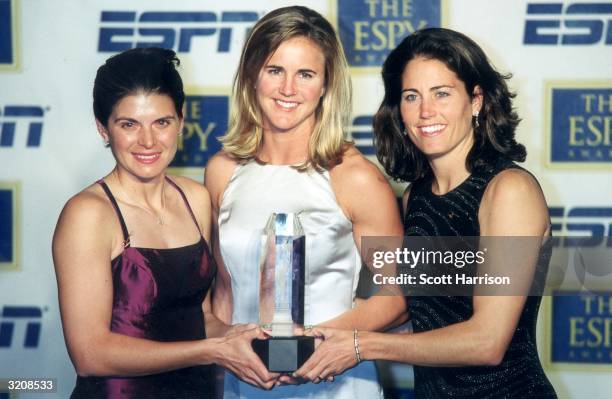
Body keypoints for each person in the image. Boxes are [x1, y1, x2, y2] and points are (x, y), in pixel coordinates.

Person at [294, 28, 558, 398]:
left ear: (477, 100)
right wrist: (322, 337)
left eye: (442, 93)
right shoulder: (416, 196)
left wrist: (361, 345)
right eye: (411, 96)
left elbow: (487, 341)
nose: (425, 112)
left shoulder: (509, 190)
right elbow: (432, 319)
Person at [204, 6, 406, 399]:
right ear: (251, 75)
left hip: (336, 383)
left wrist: (319, 344)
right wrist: (227, 344)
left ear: (326, 84)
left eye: (306, 74)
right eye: (275, 70)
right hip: (247, 384)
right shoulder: (222, 171)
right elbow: (223, 296)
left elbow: (400, 294)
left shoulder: (354, 176)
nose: (288, 89)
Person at [52, 47, 277, 399]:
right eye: (129, 124)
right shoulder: (87, 214)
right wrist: (211, 351)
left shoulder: (196, 198)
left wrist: (239, 338)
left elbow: (200, 316)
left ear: (181, 122)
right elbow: (90, 355)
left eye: (162, 122)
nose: (148, 141)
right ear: (103, 128)